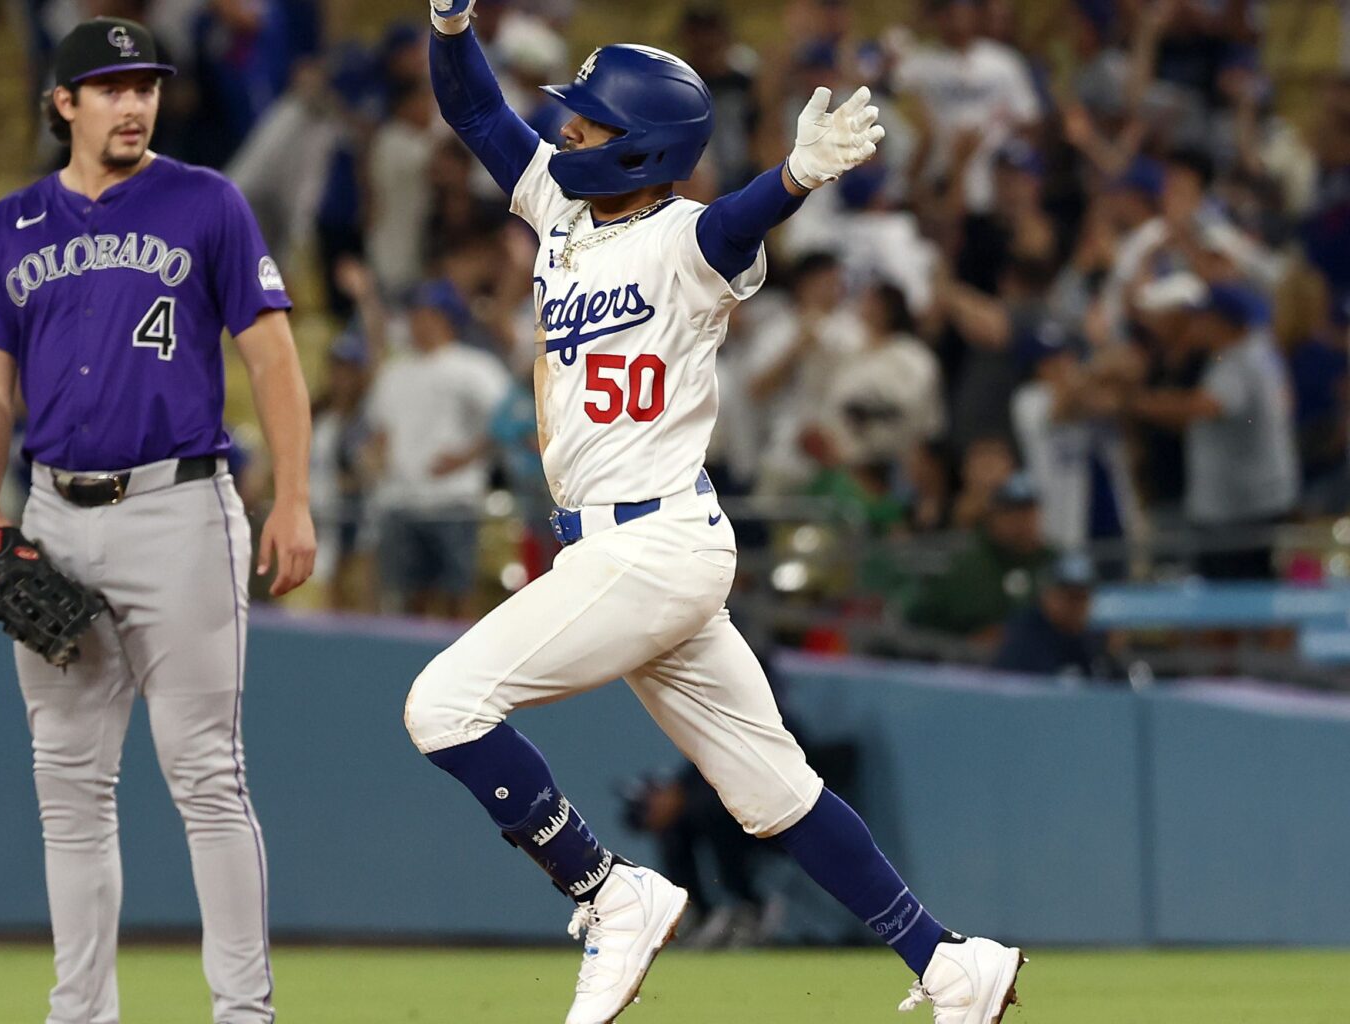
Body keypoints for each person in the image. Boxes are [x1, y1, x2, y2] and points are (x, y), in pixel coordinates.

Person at [410, 5, 1023, 1023]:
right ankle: (949, 960)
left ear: (643, 145)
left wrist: (795, 178)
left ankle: (609, 889)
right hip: (645, 552)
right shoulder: (560, 210)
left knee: (442, 706)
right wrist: (449, 21)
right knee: (772, 789)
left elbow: (735, 219)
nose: (566, 133)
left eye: (590, 125)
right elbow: (474, 109)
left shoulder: (685, 240)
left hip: (648, 545)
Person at [0, 18, 315, 1024]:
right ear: (62, 102)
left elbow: (273, 356)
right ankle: (82, 1014)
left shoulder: (208, 202)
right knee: (68, 785)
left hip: (180, 507)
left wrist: (294, 493)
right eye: (109, 86)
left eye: (145, 85)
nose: (134, 103)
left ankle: (243, 1013)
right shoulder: (10, 225)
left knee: (205, 774)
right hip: (53, 513)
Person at [363, 278, 510, 619]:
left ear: (445, 317)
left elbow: (508, 417)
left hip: (453, 500)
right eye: (414, 313)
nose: (416, 321)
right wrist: (377, 462)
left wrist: (467, 456)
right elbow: (380, 430)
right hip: (401, 499)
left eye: (425, 313)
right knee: (408, 597)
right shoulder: (394, 371)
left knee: (459, 593)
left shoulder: (473, 366)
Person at [1129, 282, 1298, 580]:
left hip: (1239, 511)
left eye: (1202, 317)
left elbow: (1205, 408)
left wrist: (1134, 404)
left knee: (1239, 601)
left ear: (1221, 321)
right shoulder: (1261, 346)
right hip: (1261, 499)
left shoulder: (1237, 360)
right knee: (1259, 595)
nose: (1195, 325)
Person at [908, 472, 1052, 640]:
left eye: (1028, 511)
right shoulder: (965, 565)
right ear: (993, 515)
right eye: (1011, 512)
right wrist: (967, 643)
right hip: (967, 661)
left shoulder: (1054, 563)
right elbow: (921, 623)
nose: (1021, 521)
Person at [992, 552, 1115, 680]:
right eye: (1070, 597)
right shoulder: (1025, 637)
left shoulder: (1089, 638)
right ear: (1047, 595)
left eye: (1083, 597)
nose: (1076, 607)